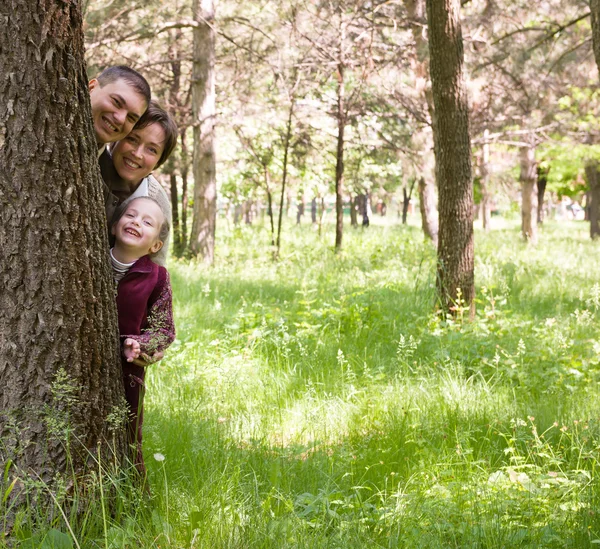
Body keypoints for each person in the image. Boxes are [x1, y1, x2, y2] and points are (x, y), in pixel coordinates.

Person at [111, 196, 176, 475]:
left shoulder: (157, 276)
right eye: (131, 216)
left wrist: (140, 345)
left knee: (127, 432)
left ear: (156, 245)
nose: (137, 221)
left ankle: (135, 497)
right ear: (114, 226)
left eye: (147, 222)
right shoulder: (86, 258)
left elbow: (164, 328)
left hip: (128, 366)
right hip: (78, 356)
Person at [100, 101, 178, 266]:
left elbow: (155, 269)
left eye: (152, 149)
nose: (137, 154)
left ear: (158, 162)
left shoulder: (158, 201)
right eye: (132, 139)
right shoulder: (90, 167)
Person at [89, 66, 151, 155]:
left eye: (131, 117)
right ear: (91, 88)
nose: (121, 119)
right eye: (117, 102)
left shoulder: (107, 168)